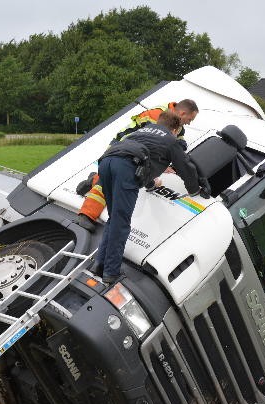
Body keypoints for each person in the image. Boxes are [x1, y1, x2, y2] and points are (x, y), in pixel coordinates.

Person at [91, 111, 200, 284]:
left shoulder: (142, 131)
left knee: (114, 219)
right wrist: (195, 190)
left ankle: (99, 265)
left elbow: (145, 159)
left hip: (106, 162)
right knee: (121, 222)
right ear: (175, 129)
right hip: (124, 168)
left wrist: (150, 185)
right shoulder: (171, 140)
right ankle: (111, 272)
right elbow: (185, 166)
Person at [76, 99, 199, 231]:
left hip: (133, 152)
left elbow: (179, 142)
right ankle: (86, 215)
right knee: (109, 181)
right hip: (123, 147)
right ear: (182, 113)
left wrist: (176, 150)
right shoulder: (157, 115)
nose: (189, 122)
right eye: (190, 119)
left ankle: (93, 180)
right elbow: (152, 146)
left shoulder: (176, 124)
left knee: (113, 176)